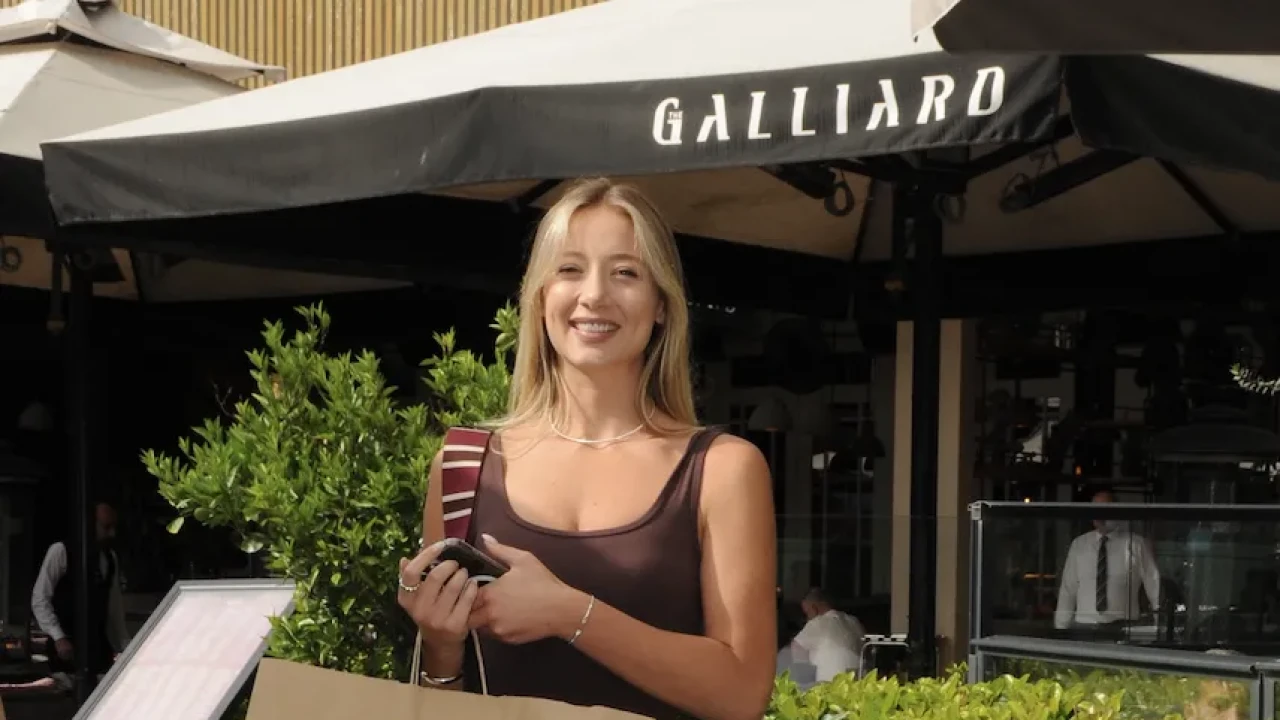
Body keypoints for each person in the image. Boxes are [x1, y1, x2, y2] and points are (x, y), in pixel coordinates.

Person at [397, 178, 777, 720]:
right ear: (540, 298)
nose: (594, 295)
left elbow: (741, 696)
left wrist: (570, 613)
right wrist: (441, 645)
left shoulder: (722, 468)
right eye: (570, 269)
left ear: (661, 304)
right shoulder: (462, 467)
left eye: (625, 273)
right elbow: (440, 706)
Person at [31, 502, 130, 680]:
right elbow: (40, 598)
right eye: (106, 527)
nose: (111, 534)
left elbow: (114, 607)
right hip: (66, 646)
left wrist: (124, 645)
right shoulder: (61, 551)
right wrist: (58, 637)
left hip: (98, 646)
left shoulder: (110, 558)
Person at [1054, 489, 1161, 630]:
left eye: (1105, 510)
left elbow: (1154, 585)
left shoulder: (1137, 544)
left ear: (1117, 512)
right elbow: (1068, 588)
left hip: (1123, 627)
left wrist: (1161, 625)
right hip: (1084, 627)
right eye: (1095, 510)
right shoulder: (1079, 544)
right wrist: (1061, 628)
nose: (1100, 516)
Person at [789, 588, 865, 683]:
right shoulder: (854, 621)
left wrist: (805, 673)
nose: (807, 617)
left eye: (807, 613)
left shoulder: (818, 622)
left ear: (814, 608)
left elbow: (796, 646)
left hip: (828, 685)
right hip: (857, 684)